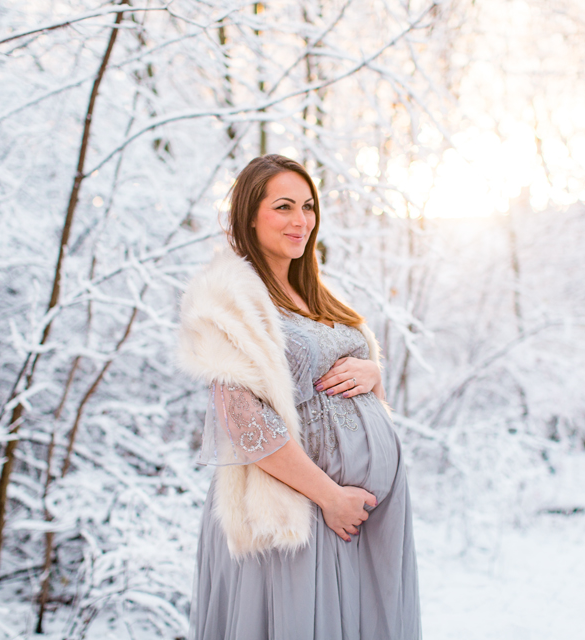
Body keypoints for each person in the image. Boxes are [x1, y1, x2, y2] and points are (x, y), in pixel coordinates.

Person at [178, 154, 421, 639]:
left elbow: (337, 381)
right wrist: (330, 497)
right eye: (283, 207)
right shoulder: (228, 299)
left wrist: (372, 372)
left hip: (356, 518)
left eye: (308, 206)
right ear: (250, 215)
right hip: (300, 515)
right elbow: (243, 420)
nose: (301, 221)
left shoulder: (314, 294)